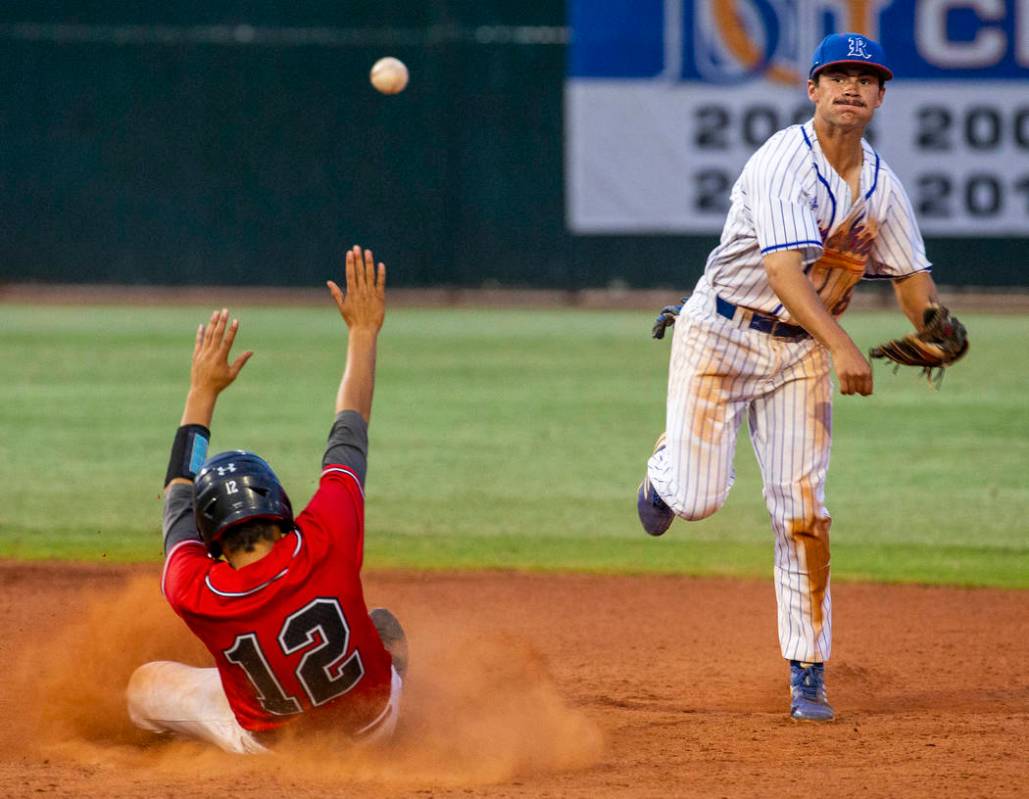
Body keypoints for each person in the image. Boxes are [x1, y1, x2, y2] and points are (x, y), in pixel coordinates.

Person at [637, 34, 960, 721]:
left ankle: (806, 670)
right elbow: (785, 276)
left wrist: (934, 323)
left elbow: (910, 277)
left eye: (864, 78)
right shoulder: (783, 160)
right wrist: (844, 346)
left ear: (879, 96)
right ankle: (663, 471)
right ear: (811, 89)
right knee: (696, 499)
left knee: (804, 511)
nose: (851, 86)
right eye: (836, 75)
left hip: (800, 355)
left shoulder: (881, 185)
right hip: (722, 332)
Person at [127, 246, 407, 753]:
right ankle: (391, 677)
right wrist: (363, 333)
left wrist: (201, 392)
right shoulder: (327, 533)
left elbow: (177, 493)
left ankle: (174, 752)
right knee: (379, 625)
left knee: (143, 686)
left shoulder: (193, 589)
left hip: (273, 748)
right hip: (376, 727)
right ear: (280, 509)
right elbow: (350, 428)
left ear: (211, 537)